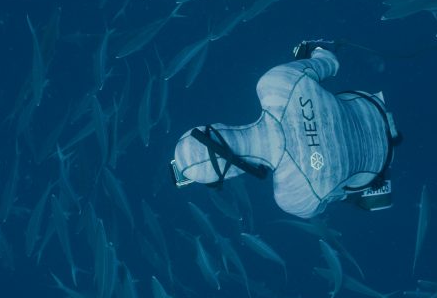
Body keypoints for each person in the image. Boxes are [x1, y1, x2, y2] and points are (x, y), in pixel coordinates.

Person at [170, 40, 400, 218]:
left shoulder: (291, 197)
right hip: (374, 106)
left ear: (228, 176)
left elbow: (321, 207)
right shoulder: (275, 83)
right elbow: (330, 62)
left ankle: (376, 189)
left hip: (380, 165)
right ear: (214, 126)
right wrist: (310, 54)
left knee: (335, 194)